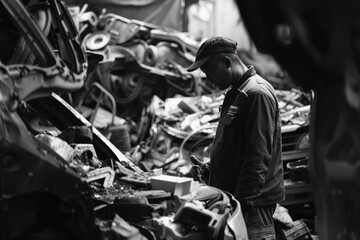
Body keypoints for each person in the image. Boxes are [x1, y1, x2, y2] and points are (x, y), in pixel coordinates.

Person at [187, 36, 285, 240]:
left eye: (209, 72)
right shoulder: (237, 93)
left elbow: (258, 157)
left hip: (251, 209)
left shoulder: (256, 93)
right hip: (236, 204)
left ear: (226, 62)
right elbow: (237, 148)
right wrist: (212, 169)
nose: (209, 80)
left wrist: (240, 206)